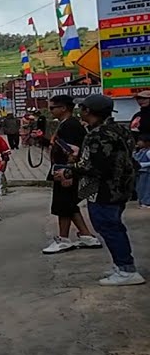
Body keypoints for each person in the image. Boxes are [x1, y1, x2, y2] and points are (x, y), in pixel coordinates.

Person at [55, 94, 146, 286]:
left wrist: (70, 170)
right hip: (120, 186)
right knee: (111, 225)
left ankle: (126, 269)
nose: (80, 111)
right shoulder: (118, 130)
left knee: (109, 226)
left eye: (83, 108)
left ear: (88, 111)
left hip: (106, 188)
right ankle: (120, 264)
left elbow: (96, 167)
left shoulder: (98, 135)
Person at [41, 95, 103, 254]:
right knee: (69, 205)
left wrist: (67, 174)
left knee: (62, 205)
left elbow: (73, 153)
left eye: (52, 108)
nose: (50, 111)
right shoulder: (66, 124)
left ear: (63, 108)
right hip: (63, 170)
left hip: (67, 172)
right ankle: (86, 236)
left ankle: (63, 239)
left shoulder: (70, 126)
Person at [136, 134, 150, 208]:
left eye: (140, 141)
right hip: (140, 172)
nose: (138, 143)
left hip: (147, 172)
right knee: (140, 188)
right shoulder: (141, 151)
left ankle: (147, 202)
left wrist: (143, 164)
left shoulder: (148, 152)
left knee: (146, 187)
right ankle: (142, 201)